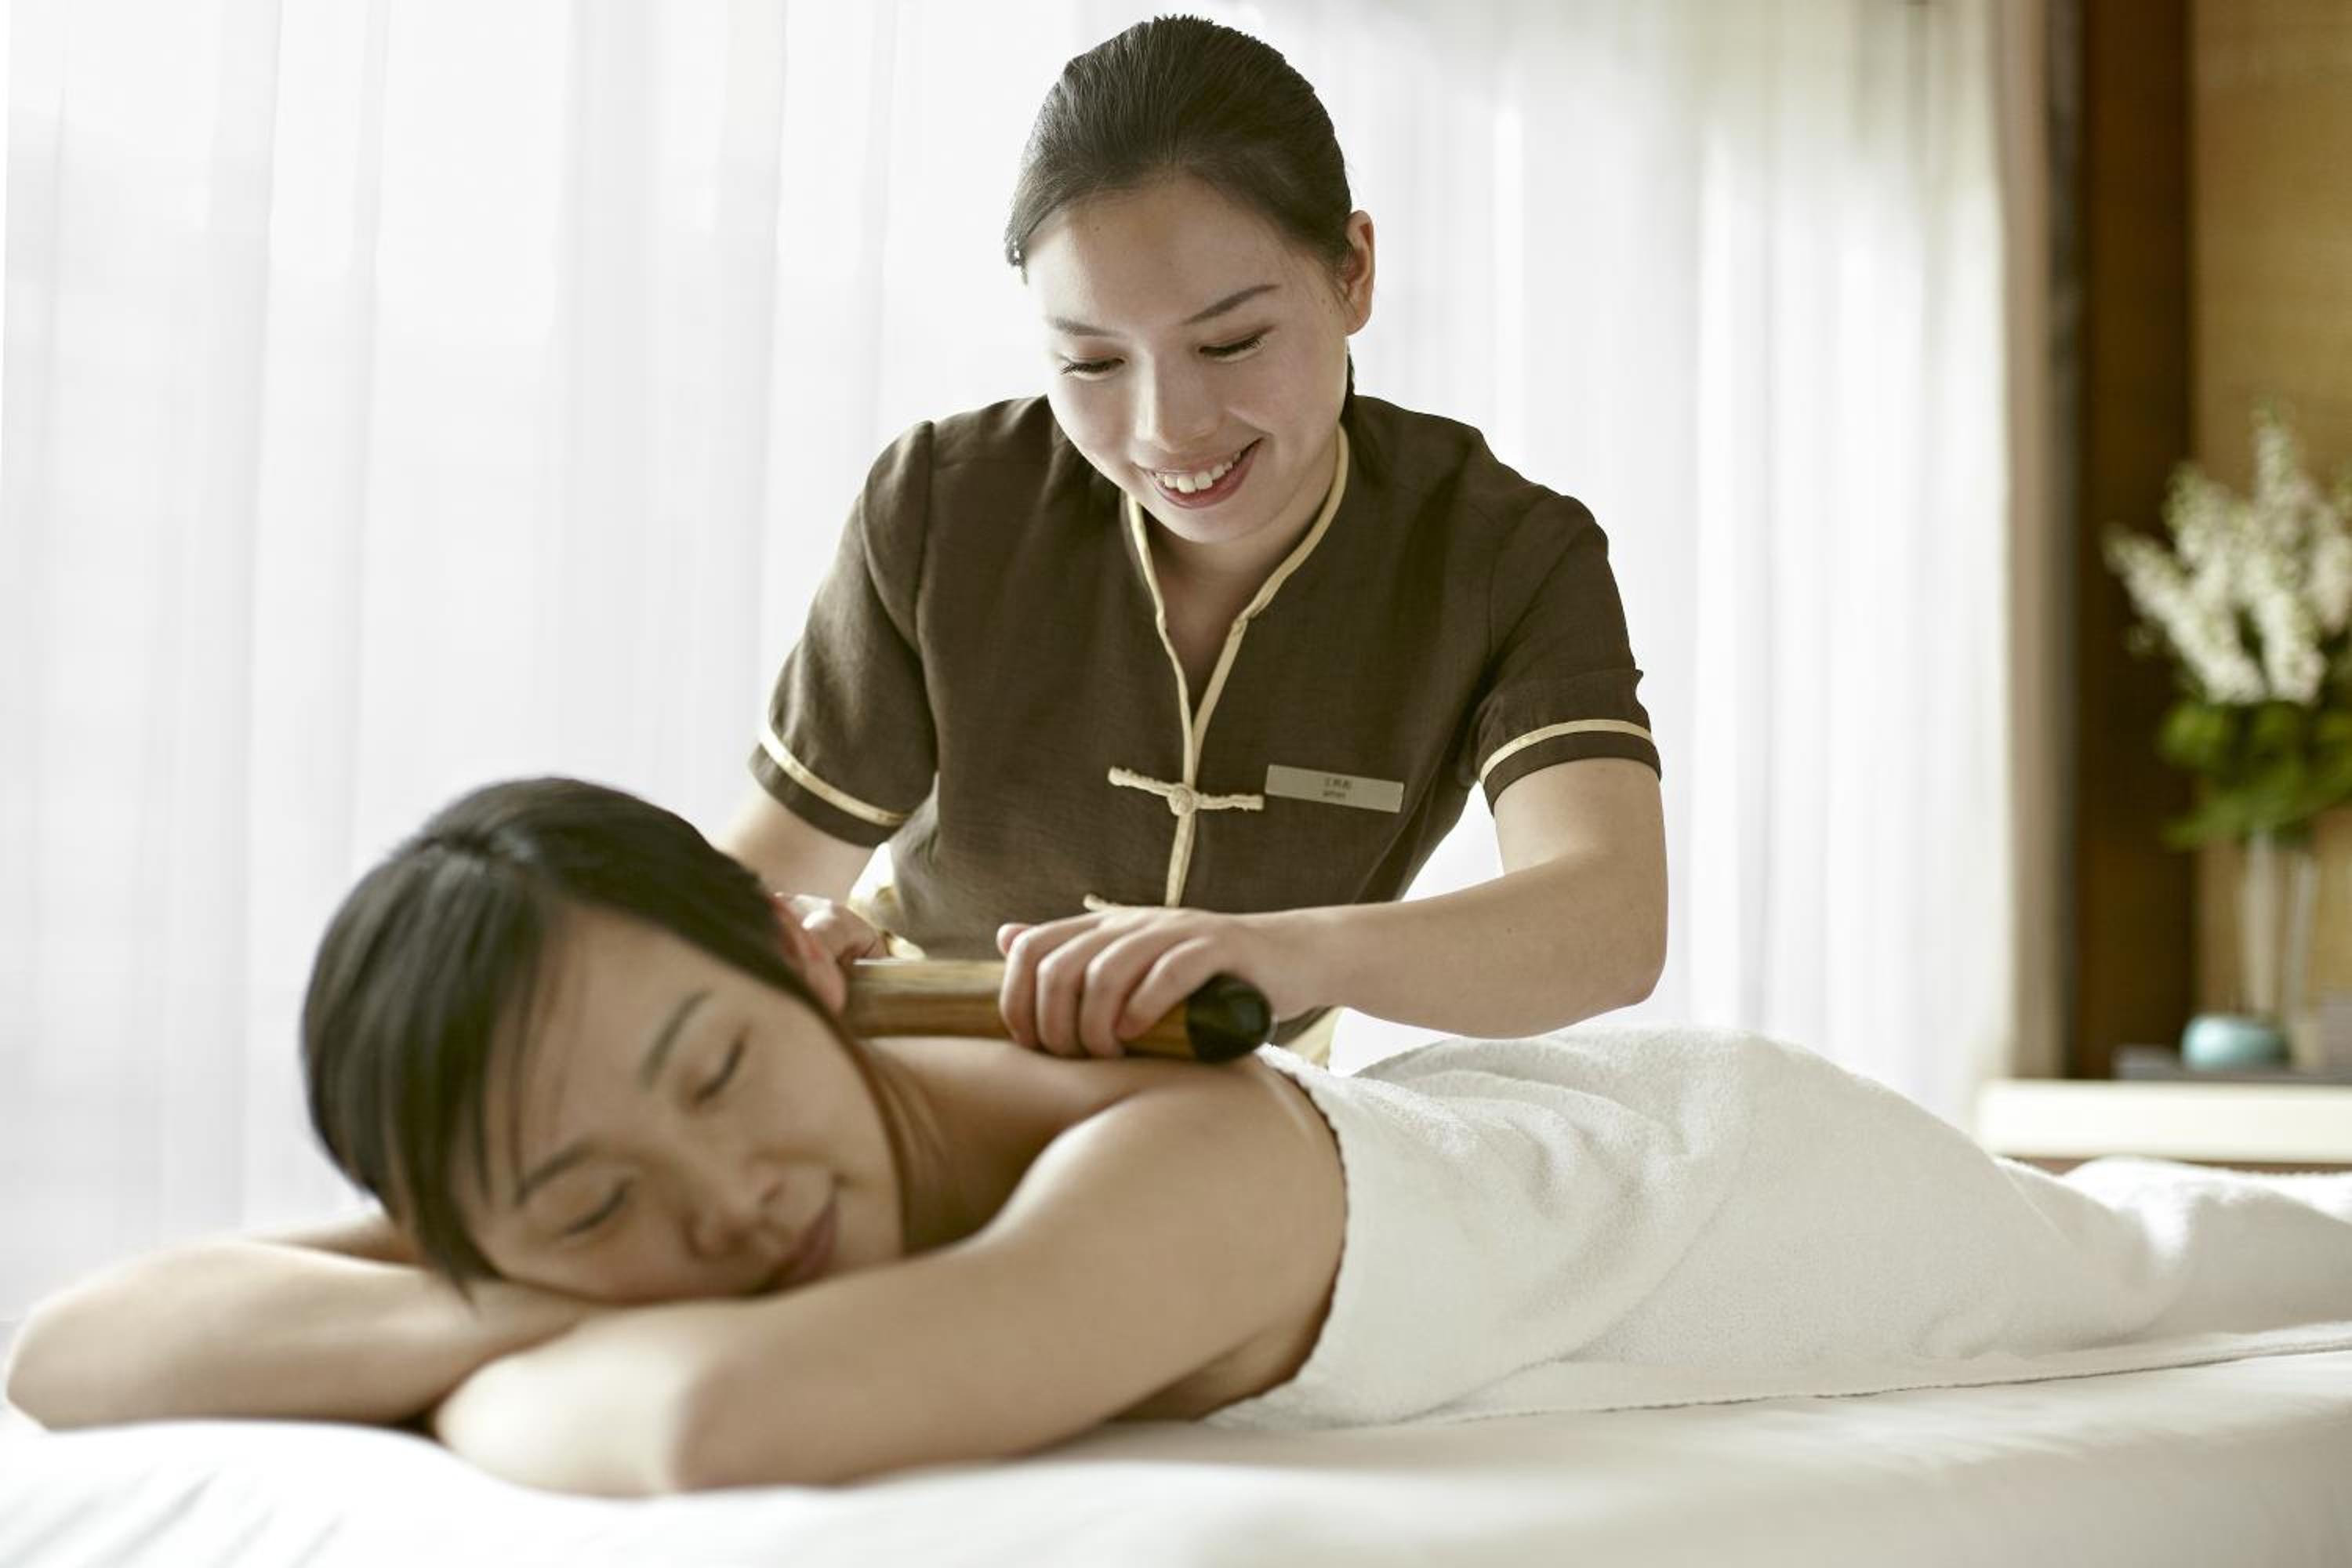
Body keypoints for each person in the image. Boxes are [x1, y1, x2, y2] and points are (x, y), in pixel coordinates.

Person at [13, 778, 2351, 1496]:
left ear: (801, 963)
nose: (723, 1207)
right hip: (1513, 1167)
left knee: (2190, 1253)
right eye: (592, 1200)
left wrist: (503, 1300)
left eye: (716, 1076)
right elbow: (77, 1349)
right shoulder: (648, 1180)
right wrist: (511, 1289)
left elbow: (715, 1417)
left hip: (1749, 1190)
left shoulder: (1171, 1166)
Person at [718, 16, 1667, 1062]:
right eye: (1091, 364)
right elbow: (760, 878)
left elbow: (1610, 923)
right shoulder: (944, 506)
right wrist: (785, 936)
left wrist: (1278, 955)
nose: (1167, 429)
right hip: (933, 1064)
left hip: (1247, 1107)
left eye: (1231, 342)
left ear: (1353, 271)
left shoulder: (1506, 555)